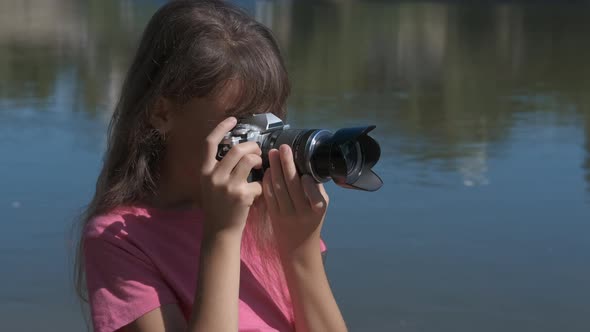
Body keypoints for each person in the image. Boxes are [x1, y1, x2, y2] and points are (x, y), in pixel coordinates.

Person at [72, 1, 347, 331]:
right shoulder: (120, 239)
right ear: (162, 114)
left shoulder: (274, 216)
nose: (257, 141)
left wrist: (301, 253)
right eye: (241, 125)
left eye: (269, 120)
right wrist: (222, 235)